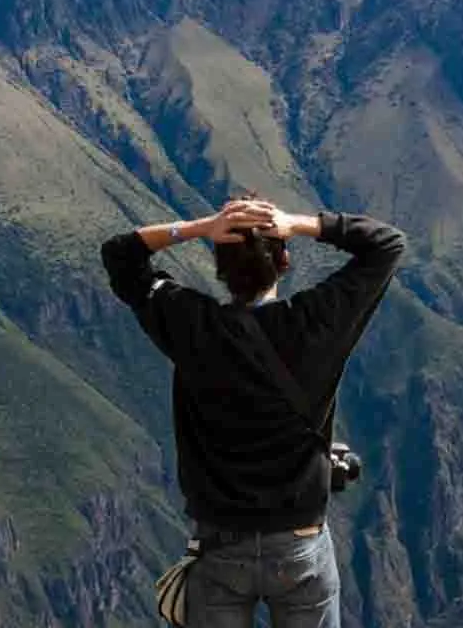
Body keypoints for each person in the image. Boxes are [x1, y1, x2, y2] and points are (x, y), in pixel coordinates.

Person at [101, 196, 406, 628]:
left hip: (220, 545)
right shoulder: (317, 323)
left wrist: (200, 227)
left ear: (219, 267)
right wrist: (297, 223)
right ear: (283, 260)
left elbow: (120, 255)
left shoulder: (191, 325)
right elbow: (387, 244)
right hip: (299, 544)